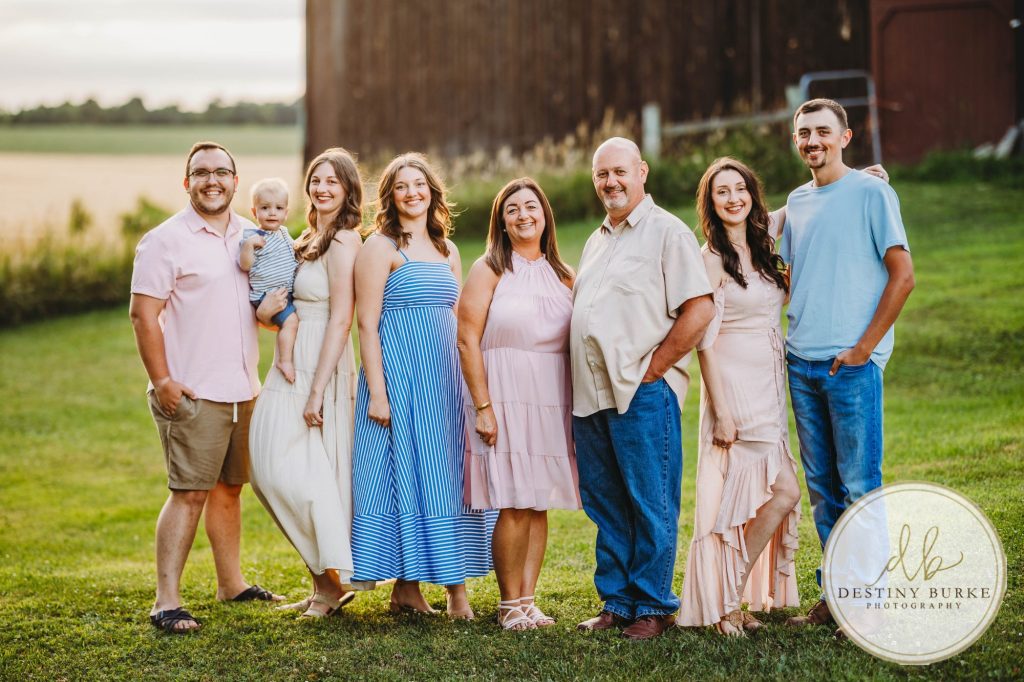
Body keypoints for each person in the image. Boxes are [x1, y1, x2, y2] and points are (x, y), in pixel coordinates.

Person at [129, 141, 283, 634]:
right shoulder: (164, 241)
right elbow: (143, 315)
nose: (211, 181)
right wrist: (163, 382)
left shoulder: (253, 233)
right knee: (189, 492)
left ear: (237, 181)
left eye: (221, 172)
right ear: (186, 182)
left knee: (228, 490)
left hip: (244, 389)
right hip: (192, 393)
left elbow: (257, 304)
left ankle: (230, 583)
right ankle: (166, 601)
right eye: (201, 173)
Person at [571, 137, 715, 640]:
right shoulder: (597, 240)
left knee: (650, 499)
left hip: (641, 393)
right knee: (607, 501)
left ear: (642, 172)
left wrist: (655, 369)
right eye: (602, 175)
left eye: (619, 172)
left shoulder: (666, 232)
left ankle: (653, 605)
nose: (610, 182)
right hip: (591, 396)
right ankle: (617, 601)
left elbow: (699, 308)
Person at [781, 99, 914, 633]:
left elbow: (902, 276)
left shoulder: (872, 193)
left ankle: (870, 604)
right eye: (802, 133)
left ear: (845, 137)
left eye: (821, 132)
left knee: (860, 485)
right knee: (822, 491)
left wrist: (864, 348)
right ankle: (839, 595)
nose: (811, 141)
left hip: (850, 365)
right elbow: (792, 278)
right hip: (801, 362)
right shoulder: (796, 201)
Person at [351, 153, 495, 619]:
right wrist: (377, 392)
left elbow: (459, 320)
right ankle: (410, 587)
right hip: (399, 379)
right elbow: (367, 325)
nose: (412, 193)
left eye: (420, 184)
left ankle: (451, 591)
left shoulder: (448, 249)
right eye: (402, 186)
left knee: (446, 478)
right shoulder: (380, 247)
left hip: (444, 381)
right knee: (404, 478)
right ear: (390, 196)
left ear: (433, 191)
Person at [678, 157, 802, 636]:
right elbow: (704, 341)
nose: (733, 199)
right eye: (721, 192)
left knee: (773, 494)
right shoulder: (708, 258)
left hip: (770, 387)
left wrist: (857, 179)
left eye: (740, 189)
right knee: (767, 494)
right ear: (710, 203)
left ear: (752, 194)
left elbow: (799, 205)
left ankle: (731, 598)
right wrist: (722, 412)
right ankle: (725, 603)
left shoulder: (762, 241)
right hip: (735, 392)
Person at [458, 177, 581, 631]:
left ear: (545, 214)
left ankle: (529, 600)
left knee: (537, 501)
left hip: (552, 398)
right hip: (505, 395)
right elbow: (467, 339)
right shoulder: (489, 269)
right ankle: (509, 604)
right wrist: (483, 406)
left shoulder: (565, 275)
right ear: (502, 222)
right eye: (512, 209)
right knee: (511, 501)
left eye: (531, 206)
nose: (523, 214)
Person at [247, 148, 364, 618]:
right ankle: (324, 583)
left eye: (333, 181)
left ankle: (329, 584)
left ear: (348, 188)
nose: (322, 188)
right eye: (316, 180)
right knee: (268, 466)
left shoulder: (345, 241)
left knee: (311, 470)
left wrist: (318, 388)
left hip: (323, 361)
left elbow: (342, 317)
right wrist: (264, 316)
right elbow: (284, 303)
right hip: (293, 357)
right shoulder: (306, 237)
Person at [240, 178, 300, 383]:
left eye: (278, 208)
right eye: (265, 208)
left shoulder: (283, 233)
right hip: (267, 295)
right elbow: (245, 265)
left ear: (286, 213)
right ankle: (284, 360)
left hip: (284, 292)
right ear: (254, 212)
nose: (272, 212)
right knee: (290, 322)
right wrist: (248, 247)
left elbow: (294, 251)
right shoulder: (252, 236)